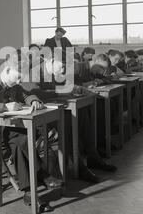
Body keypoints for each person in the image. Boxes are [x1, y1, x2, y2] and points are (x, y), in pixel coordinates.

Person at [0, 59, 63, 212]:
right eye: (18, 77)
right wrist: (4, 106)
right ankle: (42, 174)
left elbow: (26, 94)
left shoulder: (12, 84)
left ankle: (30, 193)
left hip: (1, 131)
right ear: (7, 71)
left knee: (20, 140)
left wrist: (34, 101)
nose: (20, 80)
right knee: (19, 135)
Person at [24, 56, 117, 184]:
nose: (64, 70)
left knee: (83, 112)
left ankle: (93, 157)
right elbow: (36, 93)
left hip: (55, 111)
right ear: (50, 61)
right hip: (38, 117)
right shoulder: (33, 73)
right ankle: (80, 167)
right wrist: (63, 91)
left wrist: (77, 88)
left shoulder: (54, 72)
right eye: (62, 66)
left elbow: (65, 84)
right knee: (68, 121)